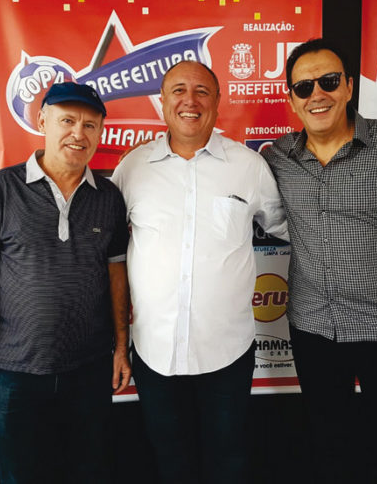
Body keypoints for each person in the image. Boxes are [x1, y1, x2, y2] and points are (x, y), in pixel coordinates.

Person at [261, 38, 377, 483]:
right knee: (330, 449)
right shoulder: (277, 158)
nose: (318, 95)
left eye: (328, 82)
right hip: (314, 329)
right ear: (292, 100)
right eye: (304, 87)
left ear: (348, 86)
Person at [111, 60, 287, 483]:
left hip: (227, 350)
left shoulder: (248, 166)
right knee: (171, 459)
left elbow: (286, 228)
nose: (190, 101)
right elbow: (110, 251)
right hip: (155, 351)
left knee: (229, 457)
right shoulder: (131, 169)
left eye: (202, 91)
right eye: (178, 90)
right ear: (162, 102)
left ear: (218, 102)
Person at [0, 82, 131, 483]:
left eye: (90, 125)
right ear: (42, 121)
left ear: (101, 132)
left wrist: (122, 347)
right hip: (16, 374)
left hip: (90, 370)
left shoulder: (109, 197)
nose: (78, 134)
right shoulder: (1, 188)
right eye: (67, 121)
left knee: (90, 472)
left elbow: (116, 275)